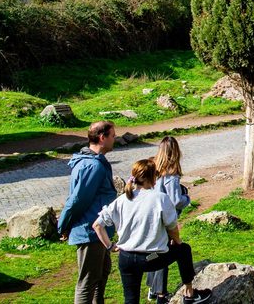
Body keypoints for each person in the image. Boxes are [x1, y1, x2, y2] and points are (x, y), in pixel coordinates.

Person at [92, 159, 211, 304]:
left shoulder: (122, 200)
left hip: (126, 258)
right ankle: (189, 294)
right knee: (184, 250)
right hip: (151, 258)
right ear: (153, 177)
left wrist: (110, 246)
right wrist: (177, 242)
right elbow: (172, 227)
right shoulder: (160, 198)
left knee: (130, 299)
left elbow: (97, 225)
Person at [57, 120, 118, 304]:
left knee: (101, 275)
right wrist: (64, 225)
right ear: (102, 138)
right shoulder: (93, 166)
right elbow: (77, 201)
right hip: (90, 231)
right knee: (88, 281)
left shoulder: (97, 162)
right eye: (113, 136)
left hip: (99, 232)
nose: (115, 139)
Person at [146, 137, 191, 302]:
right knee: (162, 253)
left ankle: (153, 287)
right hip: (164, 220)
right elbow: (175, 200)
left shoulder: (154, 169)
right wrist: (187, 198)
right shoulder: (171, 174)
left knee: (154, 252)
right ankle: (161, 294)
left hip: (151, 217)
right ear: (176, 152)